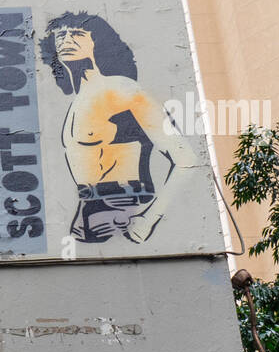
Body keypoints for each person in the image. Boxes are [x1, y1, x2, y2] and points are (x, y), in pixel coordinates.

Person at [39, 12, 193, 244]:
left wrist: (148, 220)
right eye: (60, 35)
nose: (66, 40)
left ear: (97, 42)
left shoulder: (122, 90)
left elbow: (186, 160)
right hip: (86, 212)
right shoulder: (76, 101)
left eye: (77, 33)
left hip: (121, 206)